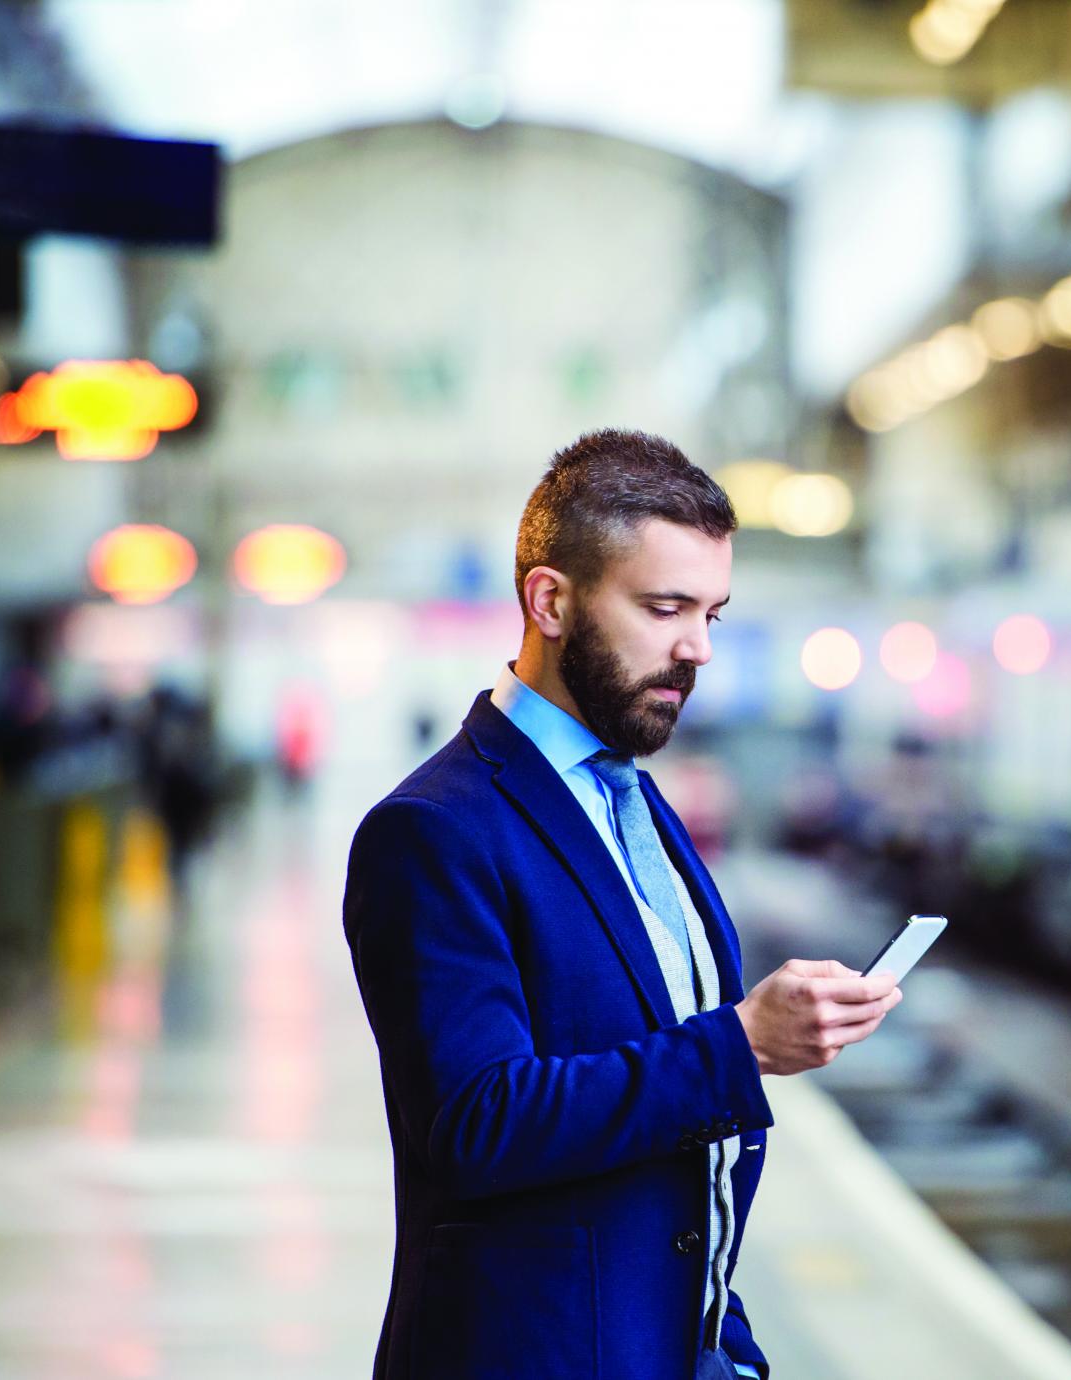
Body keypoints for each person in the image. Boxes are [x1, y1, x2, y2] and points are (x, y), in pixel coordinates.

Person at [342, 430, 903, 1379]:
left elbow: (691, 1173)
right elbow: (477, 1124)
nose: (698, 649)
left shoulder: (637, 804)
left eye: (714, 613)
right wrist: (742, 1045)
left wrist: (729, 1352)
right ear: (549, 601)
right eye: (665, 607)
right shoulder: (434, 831)